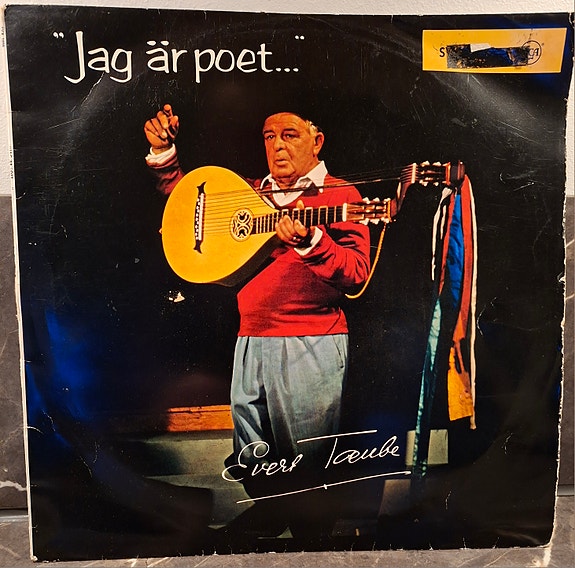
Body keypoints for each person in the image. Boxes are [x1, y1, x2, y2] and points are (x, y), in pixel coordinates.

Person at [144, 104, 371, 541]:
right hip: (250, 338)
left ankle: (310, 542)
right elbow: (188, 208)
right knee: (253, 453)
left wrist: (312, 241)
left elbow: (356, 272)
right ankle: (273, 517)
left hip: (311, 342)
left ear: (317, 141)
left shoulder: (341, 195)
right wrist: (164, 154)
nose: (278, 145)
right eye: (270, 136)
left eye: (290, 134)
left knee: (306, 459)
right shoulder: (249, 194)